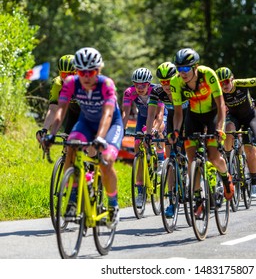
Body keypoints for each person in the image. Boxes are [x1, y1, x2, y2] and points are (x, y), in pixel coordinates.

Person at [44, 47, 124, 227]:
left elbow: (108, 115)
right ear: (76, 71)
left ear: (99, 70)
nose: (86, 76)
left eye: (92, 72)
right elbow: (60, 111)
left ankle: (113, 205)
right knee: (70, 146)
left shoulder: (106, 84)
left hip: (110, 124)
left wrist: (100, 138)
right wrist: (52, 134)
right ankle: (72, 200)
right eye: (82, 72)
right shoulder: (71, 82)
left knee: (106, 160)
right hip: (86, 121)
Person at [169, 48, 234, 218]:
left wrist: (220, 127)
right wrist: (176, 131)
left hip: (212, 114)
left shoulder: (208, 75)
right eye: (179, 69)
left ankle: (226, 178)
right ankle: (199, 200)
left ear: (195, 67)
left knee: (213, 157)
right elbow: (178, 112)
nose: (182, 73)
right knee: (192, 160)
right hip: (193, 117)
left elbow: (221, 105)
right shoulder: (176, 82)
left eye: (185, 69)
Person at [215, 67, 256, 198]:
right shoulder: (218, 91)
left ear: (232, 79)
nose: (224, 86)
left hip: (249, 117)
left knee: (250, 150)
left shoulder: (241, 83)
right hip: (233, 118)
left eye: (226, 82)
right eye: (220, 83)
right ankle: (229, 159)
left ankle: (254, 183)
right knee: (229, 128)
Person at [145, 62, 189, 217]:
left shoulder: (184, 86)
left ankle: (195, 184)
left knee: (190, 150)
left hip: (189, 116)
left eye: (168, 81)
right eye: (162, 82)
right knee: (170, 158)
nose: (166, 85)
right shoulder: (156, 91)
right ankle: (171, 201)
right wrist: (148, 134)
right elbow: (151, 115)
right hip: (172, 118)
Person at [121, 67, 166, 207]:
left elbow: (159, 116)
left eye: (143, 85)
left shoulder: (157, 90)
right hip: (142, 116)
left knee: (159, 130)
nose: (139, 88)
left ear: (149, 84)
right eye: (136, 84)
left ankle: (160, 159)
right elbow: (125, 113)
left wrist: (154, 128)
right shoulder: (129, 93)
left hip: (158, 116)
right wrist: (122, 128)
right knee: (138, 147)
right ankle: (140, 192)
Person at [36, 55, 79, 143]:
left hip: (92, 114)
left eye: (71, 74)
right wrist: (45, 129)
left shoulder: (85, 82)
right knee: (68, 146)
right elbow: (53, 109)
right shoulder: (58, 84)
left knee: (92, 151)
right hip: (74, 113)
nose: (68, 78)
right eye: (64, 74)